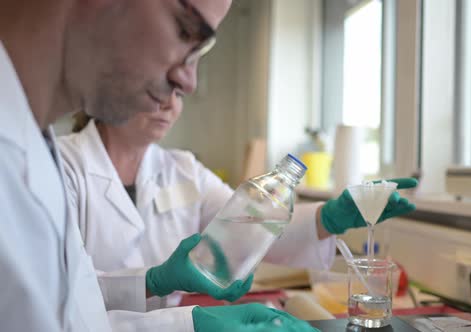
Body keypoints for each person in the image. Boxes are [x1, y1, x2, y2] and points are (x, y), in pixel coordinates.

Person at [0, 0, 318, 331]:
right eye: (186, 30)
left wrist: (187, 324)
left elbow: (77, 315)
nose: (189, 83)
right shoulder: (52, 159)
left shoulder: (35, 145)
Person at [58, 81, 418, 304]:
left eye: (180, 92)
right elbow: (57, 291)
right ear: (108, 86)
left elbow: (249, 228)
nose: (172, 104)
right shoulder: (61, 165)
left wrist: (326, 218)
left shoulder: (183, 168)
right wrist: (152, 282)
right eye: (158, 87)